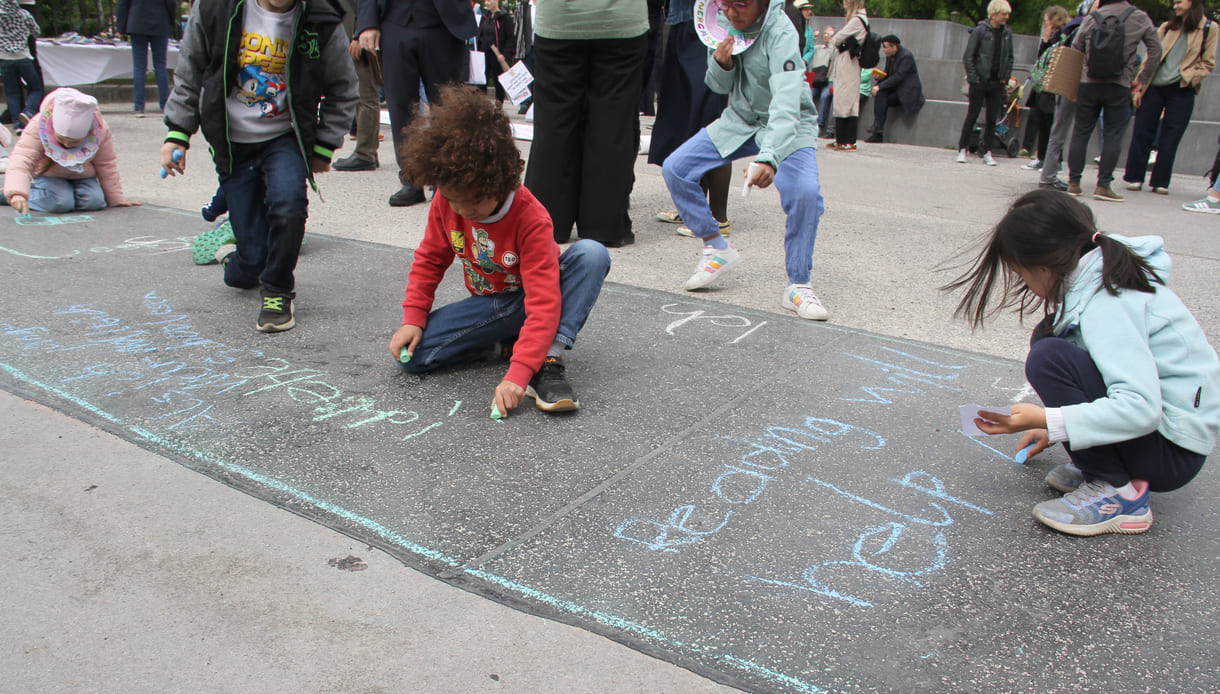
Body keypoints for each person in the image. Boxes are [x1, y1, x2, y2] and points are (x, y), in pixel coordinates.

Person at [945, 189, 1220, 536]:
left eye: (1020, 273)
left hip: (1172, 452)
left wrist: (1052, 418)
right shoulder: (1097, 276)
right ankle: (1106, 466)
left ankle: (1118, 493)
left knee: (1049, 356)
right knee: (1049, 340)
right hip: (1165, 435)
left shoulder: (1109, 303)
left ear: (1042, 267)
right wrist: (1057, 428)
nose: (1024, 285)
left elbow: (1141, 409)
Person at [389, 86, 611, 415]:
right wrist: (413, 318)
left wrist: (518, 374)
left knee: (591, 254)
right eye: (453, 199)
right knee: (415, 357)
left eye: (475, 200)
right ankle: (504, 340)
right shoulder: (446, 200)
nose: (463, 210)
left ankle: (546, 357)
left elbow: (543, 302)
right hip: (491, 306)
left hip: (539, 297)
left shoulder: (530, 217)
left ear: (500, 180)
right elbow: (430, 260)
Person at [161, 0, 357, 333]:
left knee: (288, 205)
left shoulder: (321, 17)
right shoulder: (214, 8)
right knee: (251, 258)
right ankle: (238, 260)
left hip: (285, 135)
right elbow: (190, 71)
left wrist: (324, 144)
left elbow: (344, 87)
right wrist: (177, 133)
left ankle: (278, 290)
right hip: (231, 139)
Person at [661, 0, 828, 321]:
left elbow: (787, 101)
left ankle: (798, 284)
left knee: (804, 193)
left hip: (790, 124)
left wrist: (770, 158)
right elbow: (717, 86)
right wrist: (722, 64)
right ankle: (716, 246)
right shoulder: (721, 23)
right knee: (677, 168)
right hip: (740, 119)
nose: (731, 12)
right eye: (725, 5)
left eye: (740, 5)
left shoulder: (780, 31)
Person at [523, 0, 648, 248]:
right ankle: (605, 225)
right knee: (612, 124)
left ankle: (545, 223)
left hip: (560, 17)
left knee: (554, 124)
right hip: (620, 18)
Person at [355, 0, 477, 207]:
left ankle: (448, 179)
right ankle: (411, 179)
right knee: (400, 105)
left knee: (448, 106)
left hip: (443, 24)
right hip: (394, 21)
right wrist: (367, 23)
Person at [649, 0, 731, 240]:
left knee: (709, 118)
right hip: (683, 20)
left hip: (712, 23)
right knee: (685, 118)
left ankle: (718, 217)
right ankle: (692, 208)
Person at [1065, 0, 1161, 202]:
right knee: (1113, 135)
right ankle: (1103, 185)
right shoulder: (1139, 17)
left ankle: (1073, 183)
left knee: (1081, 132)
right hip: (1120, 84)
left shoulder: (1093, 17)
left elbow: (1075, 48)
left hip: (1088, 83)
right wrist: (1141, 80)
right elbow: (1156, 50)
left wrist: (1075, 81)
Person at [1122, 0, 1215, 195]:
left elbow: (1208, 63)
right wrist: (1139, 86)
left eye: (1180, 1)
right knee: (1142, 131)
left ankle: (1160, 181)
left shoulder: (1209, 28)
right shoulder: (1166, 27)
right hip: (1154, 86)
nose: (1175, 5)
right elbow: (1151, 56)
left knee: (1171, 135)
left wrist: (1189, 77)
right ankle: (1135, 177)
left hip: (1182, 88)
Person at [2, 88, 140, 214]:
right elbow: (22, 158)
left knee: (95, 201)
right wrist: (17, 192)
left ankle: (63, 195)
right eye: (61, 139)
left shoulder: (99, 129)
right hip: (50, 174)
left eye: (74, 142)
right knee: (61, 202)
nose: (67, 144)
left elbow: (106, 163)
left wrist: (116, 198)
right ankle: (14, 195)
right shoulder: (40, 125)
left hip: (82, 175)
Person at [1039, 0, 1094, 191]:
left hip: (1062, 82)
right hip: (1074, 84)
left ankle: (1049, 173)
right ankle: (1049, 175)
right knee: (1062, 131)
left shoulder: (1070, 27)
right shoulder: (1084, 27)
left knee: (1058, 130)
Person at [956, 0, 1013, 166]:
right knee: (972, 115)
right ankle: (963, 148)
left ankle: (987, 150)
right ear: (994, 14)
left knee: (992, 118)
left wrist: (1005, 79)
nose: (1006, 17)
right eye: (1003, 14)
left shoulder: (1007, 34)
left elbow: (1009, 58)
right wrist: (975, 78)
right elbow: (969, 56)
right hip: (980, 81)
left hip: (997, 82)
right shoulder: (980, 31)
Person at [333, 0, 382, 172]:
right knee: (360, 94)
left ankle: (365, 154)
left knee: (366, 95)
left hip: (360, 37)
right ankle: (368, 151)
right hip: (351, 35)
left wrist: (357, 35)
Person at [1019, 6, 1069, 169]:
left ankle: (1055, 161)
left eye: (1046, 20)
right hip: (1042, 86)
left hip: (1052, 86)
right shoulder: (1051, 39)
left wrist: (1048, 41)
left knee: (1050, 124)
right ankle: (1042, 157)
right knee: (1041, 120)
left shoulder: (1063, 38)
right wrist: (1045, 40)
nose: (1044, 24)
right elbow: (1041, 58)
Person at [116, 0, 176, 117]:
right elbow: (171, 3)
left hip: (136, 22)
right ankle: (165, 105)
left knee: (139, 66)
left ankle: (139, 106)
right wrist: (171, 20)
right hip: (160, 21)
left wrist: (121, 27)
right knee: (160, 66)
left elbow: (122, 3)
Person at [865, 34, 925, 143]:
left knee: (880, 91)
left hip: (906, 92)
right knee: (880, 94)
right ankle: (878, 130)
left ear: (894, 47)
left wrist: (880, 86)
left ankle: (878, 127)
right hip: (896, 90)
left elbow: (899, 76)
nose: (883, 49)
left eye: (885, 47)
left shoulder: (906, 56)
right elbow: (889, 74)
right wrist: (880, 77)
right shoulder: (890, 56)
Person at [827, 0, 866, 151]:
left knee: (845, 99)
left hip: (848, 61)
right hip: (850, 61)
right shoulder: (860, 19)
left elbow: (837, 39)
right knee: (847, 99)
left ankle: (845, 140)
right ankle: (843, 139)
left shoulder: (857, 20)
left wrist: (837, 39)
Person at [0, 0, 42, 129]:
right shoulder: (24, 14)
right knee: (35, 88)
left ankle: (16, 123)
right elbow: (36, 32)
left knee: (12, 93)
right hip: (23, 57)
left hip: (4, 57)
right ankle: (28, 111)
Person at [476, 0, 515, 110]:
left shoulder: (504, 18)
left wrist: (505, 54)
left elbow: (510, 39)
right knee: (482, 81)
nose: (486, 3)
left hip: (498, 56)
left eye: (489, 0)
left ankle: (499, 107)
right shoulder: (484, 17)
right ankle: (482, 107)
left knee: (499, 82)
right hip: (484, 54)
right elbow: (480, 34)